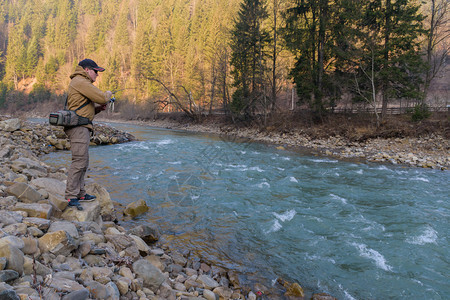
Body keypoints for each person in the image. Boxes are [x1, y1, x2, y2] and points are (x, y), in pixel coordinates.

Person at [64, 58, 112, 210]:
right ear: (86, 70)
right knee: (79, 161)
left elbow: (82, 108)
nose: (97, 74)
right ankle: (71, 196)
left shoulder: (81, 82)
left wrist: (97, 109)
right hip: (78, 127)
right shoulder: (81, 82)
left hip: (81, 125)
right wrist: (109, 94)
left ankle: (81, 193)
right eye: (95, 71)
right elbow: (103, 97)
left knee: (83, 162)